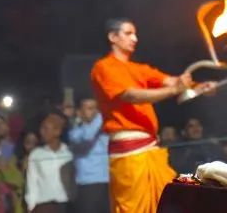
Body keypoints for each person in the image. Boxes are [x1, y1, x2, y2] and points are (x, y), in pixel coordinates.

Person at [90, 18, 216, 213]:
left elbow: (171, 81)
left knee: (168, 202)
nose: (135, 38)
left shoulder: (139, 69)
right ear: (113, 37)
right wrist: (175, 90)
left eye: (135, 34)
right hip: (128, 155)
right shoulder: (104, 67)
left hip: (151, 149)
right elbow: (130, 95)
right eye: (128, 33)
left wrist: (200, 87)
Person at [25, 112, 75, 213]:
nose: (42, 132)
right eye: (41, 128)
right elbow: (32, 182)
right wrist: (31, 206)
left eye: (45, 129)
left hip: (66, 205)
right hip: (43, 206)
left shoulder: (69, 153)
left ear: (57, 131)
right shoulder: (36, 154)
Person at [68, 97, 109, 213]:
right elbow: (87, 137)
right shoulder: (75, 133)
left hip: (108, 184)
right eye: (90, 108)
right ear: (79, 112)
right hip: (88, 187)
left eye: (96, 108)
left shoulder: (104, 133)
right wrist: (102, 115)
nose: (95, 112)